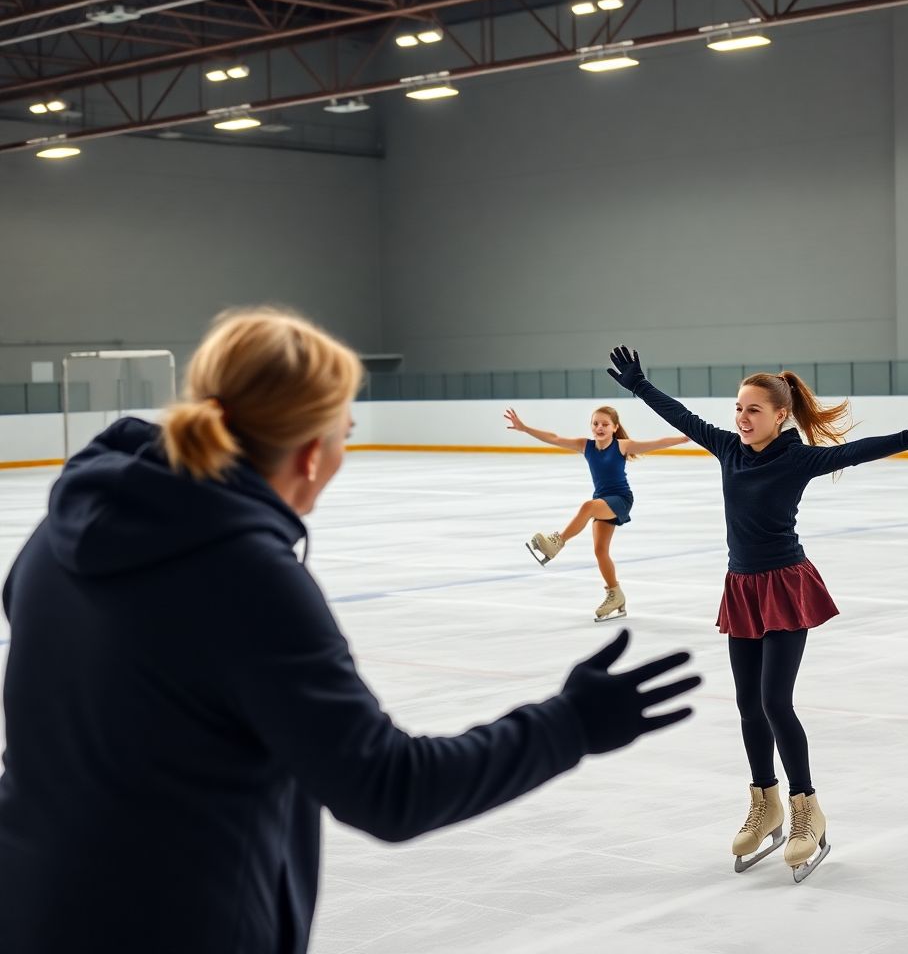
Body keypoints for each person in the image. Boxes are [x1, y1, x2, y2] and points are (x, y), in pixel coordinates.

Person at [0, 309, 703, 954]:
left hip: (34, 909)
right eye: (345, 434)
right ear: (311, 452)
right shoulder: (245, 578)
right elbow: (387, 787)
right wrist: (569, 724)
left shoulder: (57, 538)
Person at [606, 345, 908, 883]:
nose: (741, 419)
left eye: (753, 410)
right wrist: (639, 386)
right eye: (739, 408)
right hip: (741, 587)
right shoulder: (728, 448)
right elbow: (682, 416)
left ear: (780, 415)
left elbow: (854, 452)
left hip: (785, 588)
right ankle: (763, 799)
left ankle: (806, 808)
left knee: (774, 699)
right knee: (748, 703)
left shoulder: (796, 457)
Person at [504, 406, 689, 621]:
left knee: (587, 506)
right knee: (600, 551)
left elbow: (655, 444)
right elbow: (554, 438)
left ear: (615, 427)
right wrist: (524, 428)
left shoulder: (622, 445)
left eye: (605, 424)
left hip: (620, 499)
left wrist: (682, 439)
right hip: (602, 499)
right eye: (595, 424)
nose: (599, 428)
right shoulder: (586, 446)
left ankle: (556, 542)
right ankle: (615, 594)